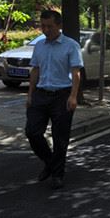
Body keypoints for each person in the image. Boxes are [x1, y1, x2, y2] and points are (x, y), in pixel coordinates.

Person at [25, 10, 83, 190]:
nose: (45, 29)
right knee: (32, 132)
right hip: (41, 94)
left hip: (62, 95)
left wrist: (73, 96)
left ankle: (57, 174)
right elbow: (35, 70)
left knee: (60, 138)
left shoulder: (71, 45)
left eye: (49, 26)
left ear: (59, 25)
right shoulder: (40, 45)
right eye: (43, 26)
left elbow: (76, 72)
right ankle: (50, 162)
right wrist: (30, 94)